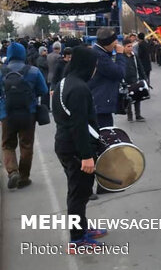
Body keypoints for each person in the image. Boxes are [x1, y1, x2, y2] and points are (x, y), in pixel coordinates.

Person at [52, 46, 107, 249]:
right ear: (87, 65)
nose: (95, 70)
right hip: (75, 149)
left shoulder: (65, 82)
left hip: (65, 145)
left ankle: (82, 227)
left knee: (79, 191)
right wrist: (86, 156)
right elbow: (79, 125)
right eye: (94, 66)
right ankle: (77, 239)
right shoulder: (79, 89)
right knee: (78, 193)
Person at [1, 42, 48, 189]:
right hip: (29, 113)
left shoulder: (1, 71)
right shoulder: (33, 71)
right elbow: (44, 90)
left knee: (8, 144)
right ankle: (23, 177)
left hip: (6, 114)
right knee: (26, 145)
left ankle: (12, 171)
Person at [88, 28, 126, 129]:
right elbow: (119, 73)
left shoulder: (99, 52)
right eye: (115, 40)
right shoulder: (100, 56)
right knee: (105, 133)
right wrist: (120, 55)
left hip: (100, 102)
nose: (117, 43)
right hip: (100, 102)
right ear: (107, 42)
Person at [122, 38, 147, 123]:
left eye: (131, 46)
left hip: (135, 79)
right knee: (128, 99)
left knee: (137, 98)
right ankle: (129, 115)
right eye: (128, 46)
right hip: (125, 81)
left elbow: (140, 67)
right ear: (124, 47)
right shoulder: (121, 57)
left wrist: (144, 78)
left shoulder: (134, 56)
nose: (130, 48)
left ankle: (138, 115)